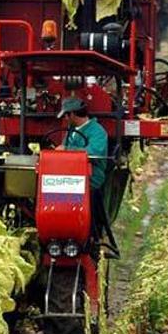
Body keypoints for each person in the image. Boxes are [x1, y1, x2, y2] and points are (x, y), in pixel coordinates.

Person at [56, 97, 110, 239]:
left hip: (90, 177)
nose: (66, 119)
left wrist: (67, 150)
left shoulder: (97, 131)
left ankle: (90, 236)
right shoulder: (71, 130)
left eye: (66, 116)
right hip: (70, 176)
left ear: (72, 114)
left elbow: (93, 152)